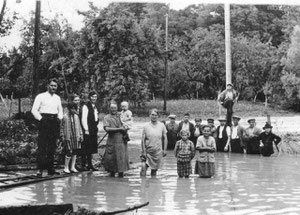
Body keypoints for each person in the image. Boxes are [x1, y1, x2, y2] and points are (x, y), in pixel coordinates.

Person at [31, 78, 63, 176]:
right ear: (48, 86)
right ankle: (40, 169)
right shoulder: (40, 96)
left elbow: (60, 110)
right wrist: (41, 119)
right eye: (52, 85)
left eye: (55, 86)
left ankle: (50, 169)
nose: (53, 87)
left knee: (52, 146)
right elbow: (34, 110)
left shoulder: (57, 98)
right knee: (42, 146)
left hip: (54, 122)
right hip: (44, 121)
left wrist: (59, 118)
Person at [103, 102, 129, 177]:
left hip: (121, 141)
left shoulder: (121, 115)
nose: (113, 110)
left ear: (117, 108)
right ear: (109, 109)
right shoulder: (106, 117)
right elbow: (107, 129)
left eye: (115, 108)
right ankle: (112, 178)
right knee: (111, 160)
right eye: (112, 108)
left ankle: (121, 177)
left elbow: (128, 123)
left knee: (122, 159)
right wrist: (119, 129)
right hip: (112, 140)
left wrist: (125, 129)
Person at [140, 109, 168, 177]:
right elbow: (143, 139)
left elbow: (165, 138)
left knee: (154, 170)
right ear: (150, 115)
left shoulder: (162, 125)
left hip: (157, 151)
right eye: (152, 115)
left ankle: (153, 185)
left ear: (158, 116)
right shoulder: (146, 126)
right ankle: (143, 184)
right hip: (148, 150)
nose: (154, 116)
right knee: (143, 168)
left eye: (156, 115)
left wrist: (164, 149)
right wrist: (143, 151)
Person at [62, 102, 83, 173]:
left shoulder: (76, 116)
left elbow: (79, 126)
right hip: (68, 137)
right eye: (72, 109)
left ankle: (72, 167)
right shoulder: (64, 116)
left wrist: (81, 135)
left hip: (76, 136)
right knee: (69, 151)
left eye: (75, 109)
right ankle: (66, 167)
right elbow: (61, 127)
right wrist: (62, 136)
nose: (73, 110)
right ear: (69, 109)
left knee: (75, 151)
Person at [81, 91, 99, 171]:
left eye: (95, 97)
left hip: (93, 129)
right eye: (92, 97)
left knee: (91, 148)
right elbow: (84, 119)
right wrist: (86, 129)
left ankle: (90, 165)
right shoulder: (86, 106)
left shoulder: (95, 107)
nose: (94, 98)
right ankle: (83, 165)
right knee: (86, 147)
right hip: (88, 129)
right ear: (89, 97)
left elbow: (96, 118)